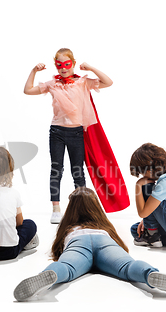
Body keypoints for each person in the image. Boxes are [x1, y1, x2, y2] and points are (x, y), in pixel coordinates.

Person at [13, 187, 166, 302]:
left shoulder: (69, 227)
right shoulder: (103, 226)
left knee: (66, 268)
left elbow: (59, 250)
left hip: (78, 242)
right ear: (95, 207)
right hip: (104, 241)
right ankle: (151, 275)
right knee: (128, 267)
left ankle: (49, 275)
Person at [23, 48, 114, 223]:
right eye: (59, 65)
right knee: (56, 169)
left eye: (66, 64)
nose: (63, 68)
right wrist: (34, 71)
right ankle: (56, 209)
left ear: (72, 63)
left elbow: (108, 82)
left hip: (76, 132)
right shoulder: (52, 84)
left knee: (77, 171)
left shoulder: (82, 82)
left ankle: (82, 208)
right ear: (55, 66)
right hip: (57, 131)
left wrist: (90, 68)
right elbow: (28, 90)